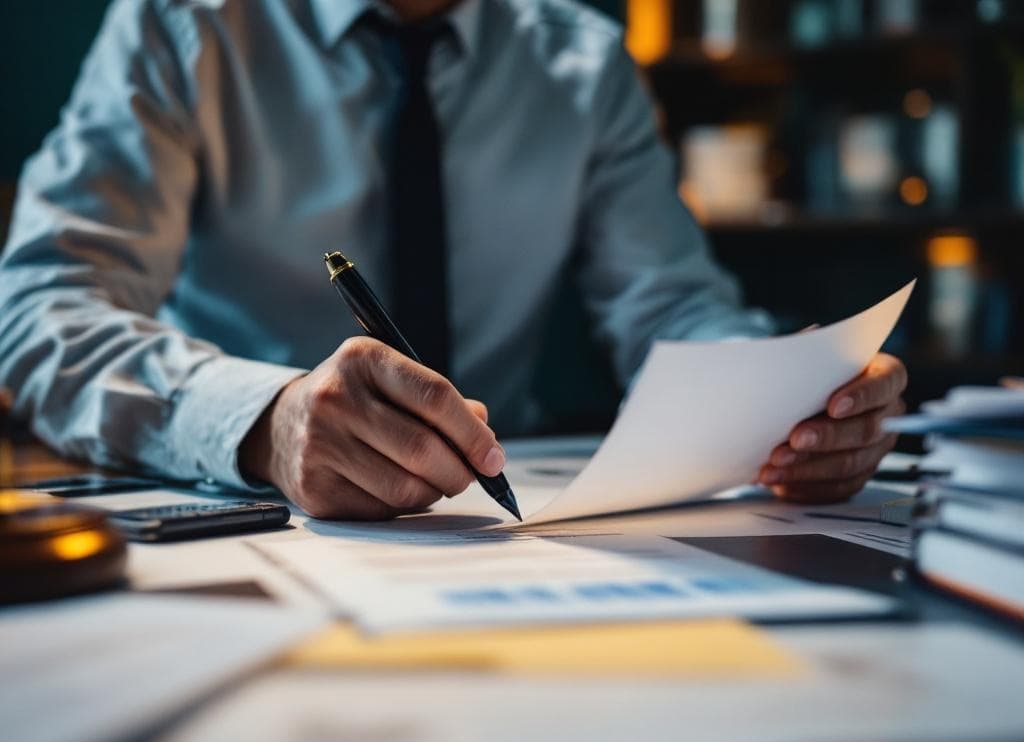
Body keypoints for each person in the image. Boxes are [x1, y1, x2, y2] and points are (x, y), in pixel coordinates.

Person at [0, 0, 906, 520]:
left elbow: (670, 305)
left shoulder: (584, 63)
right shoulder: (180, 28)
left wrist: (784, 397)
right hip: (238, 513)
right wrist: (264, 420)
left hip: (502, 522)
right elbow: (38, 312)